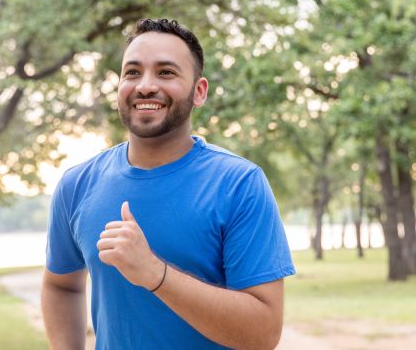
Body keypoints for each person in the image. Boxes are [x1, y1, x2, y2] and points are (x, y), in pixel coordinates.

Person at [41, 18, 296, 349]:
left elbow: (263, 333)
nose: (145, 85)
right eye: (132, 72)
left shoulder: (240, 184)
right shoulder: (77, 185)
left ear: (199, 91)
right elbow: (62, 286)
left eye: (166, 72)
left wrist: (154, 274)